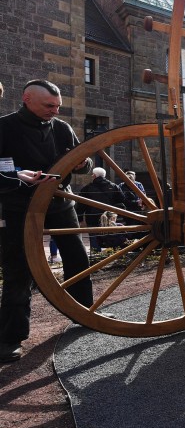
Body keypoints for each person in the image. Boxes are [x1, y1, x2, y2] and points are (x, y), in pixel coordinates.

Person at [0, 79, 94, 363]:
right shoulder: (4, 128)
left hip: (60, 201)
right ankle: (9, 338)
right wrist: (19, 174)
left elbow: (83, 161)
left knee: (77, 257)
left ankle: (85, 312)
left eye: (57, 106)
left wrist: (82, 164)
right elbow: (1, 168)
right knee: (18, 268)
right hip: (19, 207)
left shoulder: (62, 128)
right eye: (48, 105)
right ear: (27, 99)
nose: (54, 110)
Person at [76, 167, 125, 251]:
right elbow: (121, 200)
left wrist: (79, 218)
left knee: (94, 237)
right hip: (109, 216)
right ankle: (111, 253)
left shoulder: (87, 188)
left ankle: (96, 255)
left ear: (94, 176)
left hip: (92, 217)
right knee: (111, 235)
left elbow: (81, 205)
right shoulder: (114, 186)